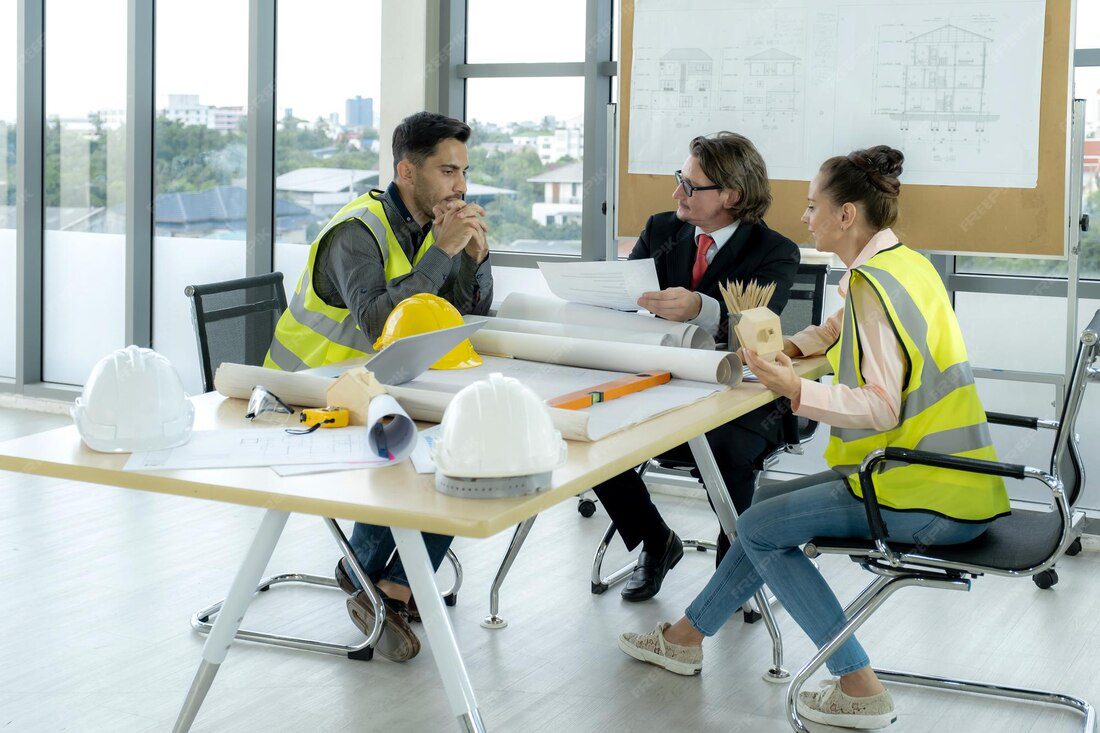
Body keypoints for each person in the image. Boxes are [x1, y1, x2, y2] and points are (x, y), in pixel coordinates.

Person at [617, 145, 1009, 730]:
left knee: (757, 525)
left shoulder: (874, 286)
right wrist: (792, 350)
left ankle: (858, 685)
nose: (804, 219)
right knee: (767, 516)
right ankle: (685, 637)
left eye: (812, 206)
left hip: (919, 493)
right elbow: (838, 327)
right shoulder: (898, 265)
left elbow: (879, 406)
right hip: (955, 483)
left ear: (846, 215)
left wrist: (792, 389)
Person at [264, 111, 493, 662]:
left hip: (382, 390)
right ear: (406, 172)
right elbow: (375, 321)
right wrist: (441, 252)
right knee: (444, 450)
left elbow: (461, 312)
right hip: (308, 396)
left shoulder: (427, 228)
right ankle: (379, 575)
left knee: (471, 448)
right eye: (447, 171)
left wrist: (474, 261)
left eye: (463, 171)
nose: (460, 186)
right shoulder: (356, 232)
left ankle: (376, 577)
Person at [591, 132, 800, 601]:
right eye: (679, 180)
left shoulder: (774, 250)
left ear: (732, 195)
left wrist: (701, 309)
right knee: (597, 434)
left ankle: (733, 571)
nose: (676, 193)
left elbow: (760, 324)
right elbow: (629, 301)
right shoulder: (661, 229)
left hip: (740, 395)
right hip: (660, 381)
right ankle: (654, 540)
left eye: (690, 185)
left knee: (727, 444)